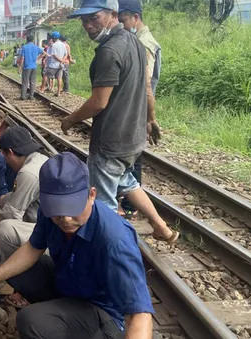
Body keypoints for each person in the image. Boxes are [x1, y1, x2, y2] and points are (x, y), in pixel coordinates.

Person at [0, 152, 155, 339]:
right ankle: (61, 317)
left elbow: (138, 315)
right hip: (73, 287)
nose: (65, 219)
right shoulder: (49, 214)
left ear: (91, 195)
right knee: (17, 271)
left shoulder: (114, 239)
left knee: (30, 321)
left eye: (72, 208)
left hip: (105, 313)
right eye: (56, 210)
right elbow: (33, 247)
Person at [60, 0, 178, 243]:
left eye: (95, 18)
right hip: (133, 138)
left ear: (113, 14)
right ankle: (161, 227)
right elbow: (146, 88)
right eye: (84, 20)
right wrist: (150, 118)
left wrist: (70, 119)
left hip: (111, 140)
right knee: (128, 182)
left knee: (103, 207)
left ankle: (116, 252)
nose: (88, 25)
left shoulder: (110, 50)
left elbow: (99, 102)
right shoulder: (134, 40)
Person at [118, 0, 162, 217]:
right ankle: (128, 203)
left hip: (137, 109)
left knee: (132, 159)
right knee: (130, 157)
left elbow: (145, 85)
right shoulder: (139, 39)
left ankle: (130, 207)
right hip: (137, 108)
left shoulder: (142, 43)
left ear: (135, 18)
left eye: (124, 20)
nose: (122, 25)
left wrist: (148, 117)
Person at [0, 127, 48, 260]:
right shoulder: (41, 158)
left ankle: (23, 268)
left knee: (5, 228)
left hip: (53, 233)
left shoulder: (28, 173)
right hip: (48, 221)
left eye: (5, 157)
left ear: (9, 152)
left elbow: (10, 215)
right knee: (8, 199)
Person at [17, 35, 46, 100]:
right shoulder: (36, 47)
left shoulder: (24, 47)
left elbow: (22, 58)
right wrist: (37, 58)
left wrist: (20, 67)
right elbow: (44, 53)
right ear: (33, 40)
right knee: (32, 82)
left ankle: (23, 96)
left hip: (26, 67)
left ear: (27, 40)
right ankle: (31, 96)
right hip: (34, 67)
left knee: (25, 82)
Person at [45, 32, 67, 97]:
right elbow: (66, 54)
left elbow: (54, 55)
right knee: (59, 78)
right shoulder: (63, 44)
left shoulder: (54, 45)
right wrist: (62, 61)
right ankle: (58, 92)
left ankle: (43, 88)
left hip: (54, 65)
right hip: (61, 65)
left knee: (46, 75)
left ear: (54, 38)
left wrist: (61, 61)